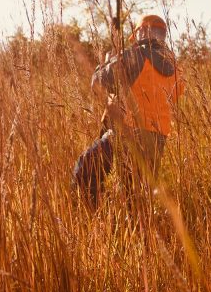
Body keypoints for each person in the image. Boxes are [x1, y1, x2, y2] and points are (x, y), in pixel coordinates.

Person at [73, 14, 184, 205]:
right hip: (157, 140)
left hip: (127, 134)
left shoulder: (136, 56)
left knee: (84, 171)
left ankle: (93, 217)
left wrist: (109, 61)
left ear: (142, 32)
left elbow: (98, 83)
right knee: (135, 196)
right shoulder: (175, 68)